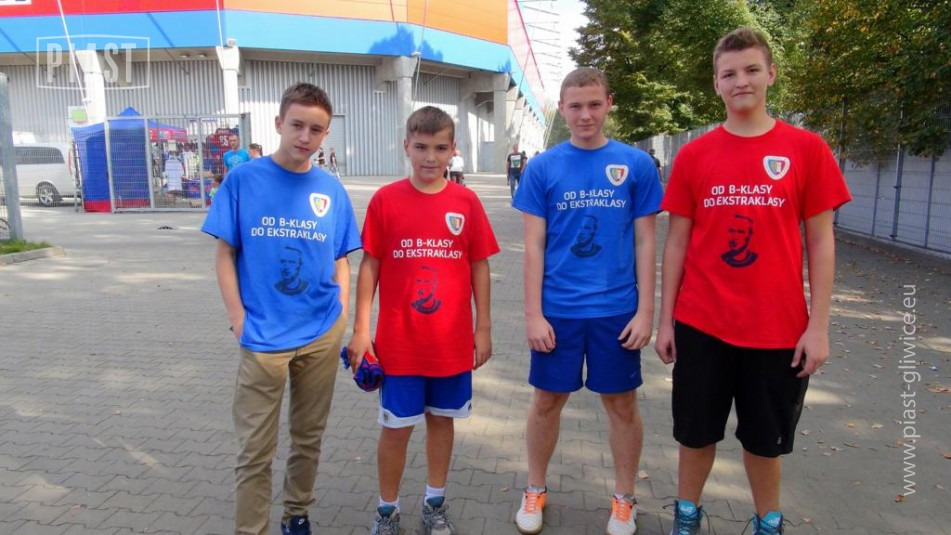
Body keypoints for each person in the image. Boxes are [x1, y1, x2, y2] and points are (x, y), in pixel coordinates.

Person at [654, 27, 851, 535]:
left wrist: (819, 327)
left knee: (766, 441)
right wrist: (665, 321)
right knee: (695, 433)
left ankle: (768, 522)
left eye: (751, 70)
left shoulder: (806, 149)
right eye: (729, 73)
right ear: (716, 83)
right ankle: (686, 516)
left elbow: (821, 242)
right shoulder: (694, 155)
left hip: (778, 329)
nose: (740, 81)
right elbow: (676, 244)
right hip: (702, 323)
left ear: (771, 74)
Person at [201, 82, 361, 535]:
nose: (305, 137)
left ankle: (296, 514)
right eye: (297, 125)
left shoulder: (330, 189)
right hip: (262, 335)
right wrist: (238, 318)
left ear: (325, 134)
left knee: (308, 437)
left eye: (316, 129)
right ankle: (251, 528)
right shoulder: (244, 180)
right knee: (255, 447)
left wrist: (342, 312)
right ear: (278, 123)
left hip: (321, 333)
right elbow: (225, 253)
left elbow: (341, 259)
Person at [512, 67, 663, 535]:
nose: (585, 115)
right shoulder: (542, 167)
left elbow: (646, 242)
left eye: (594, 104)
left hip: (616, 311)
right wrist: (533, 314)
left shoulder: (636, 165)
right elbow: (533, 246)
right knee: (546, 402)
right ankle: (535, 489)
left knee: (622, 405)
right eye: (575, 106)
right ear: (561, 108)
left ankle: (624, 499)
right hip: (558, 311)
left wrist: (646, 311)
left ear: (609, 103)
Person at [347, 105, 500, 535]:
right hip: (399, 343)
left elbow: (479, 265)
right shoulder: (386, 200)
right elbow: (371, 265)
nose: (430, 157)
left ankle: (434, 504)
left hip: (450, 343)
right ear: (406, 147)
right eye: (421, 147)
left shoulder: (466, 201)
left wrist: (483, 327)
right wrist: (361, 330)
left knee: (442, 422)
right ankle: (387, 511)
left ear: (453, 150)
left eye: (439, 148)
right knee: (395, 430)